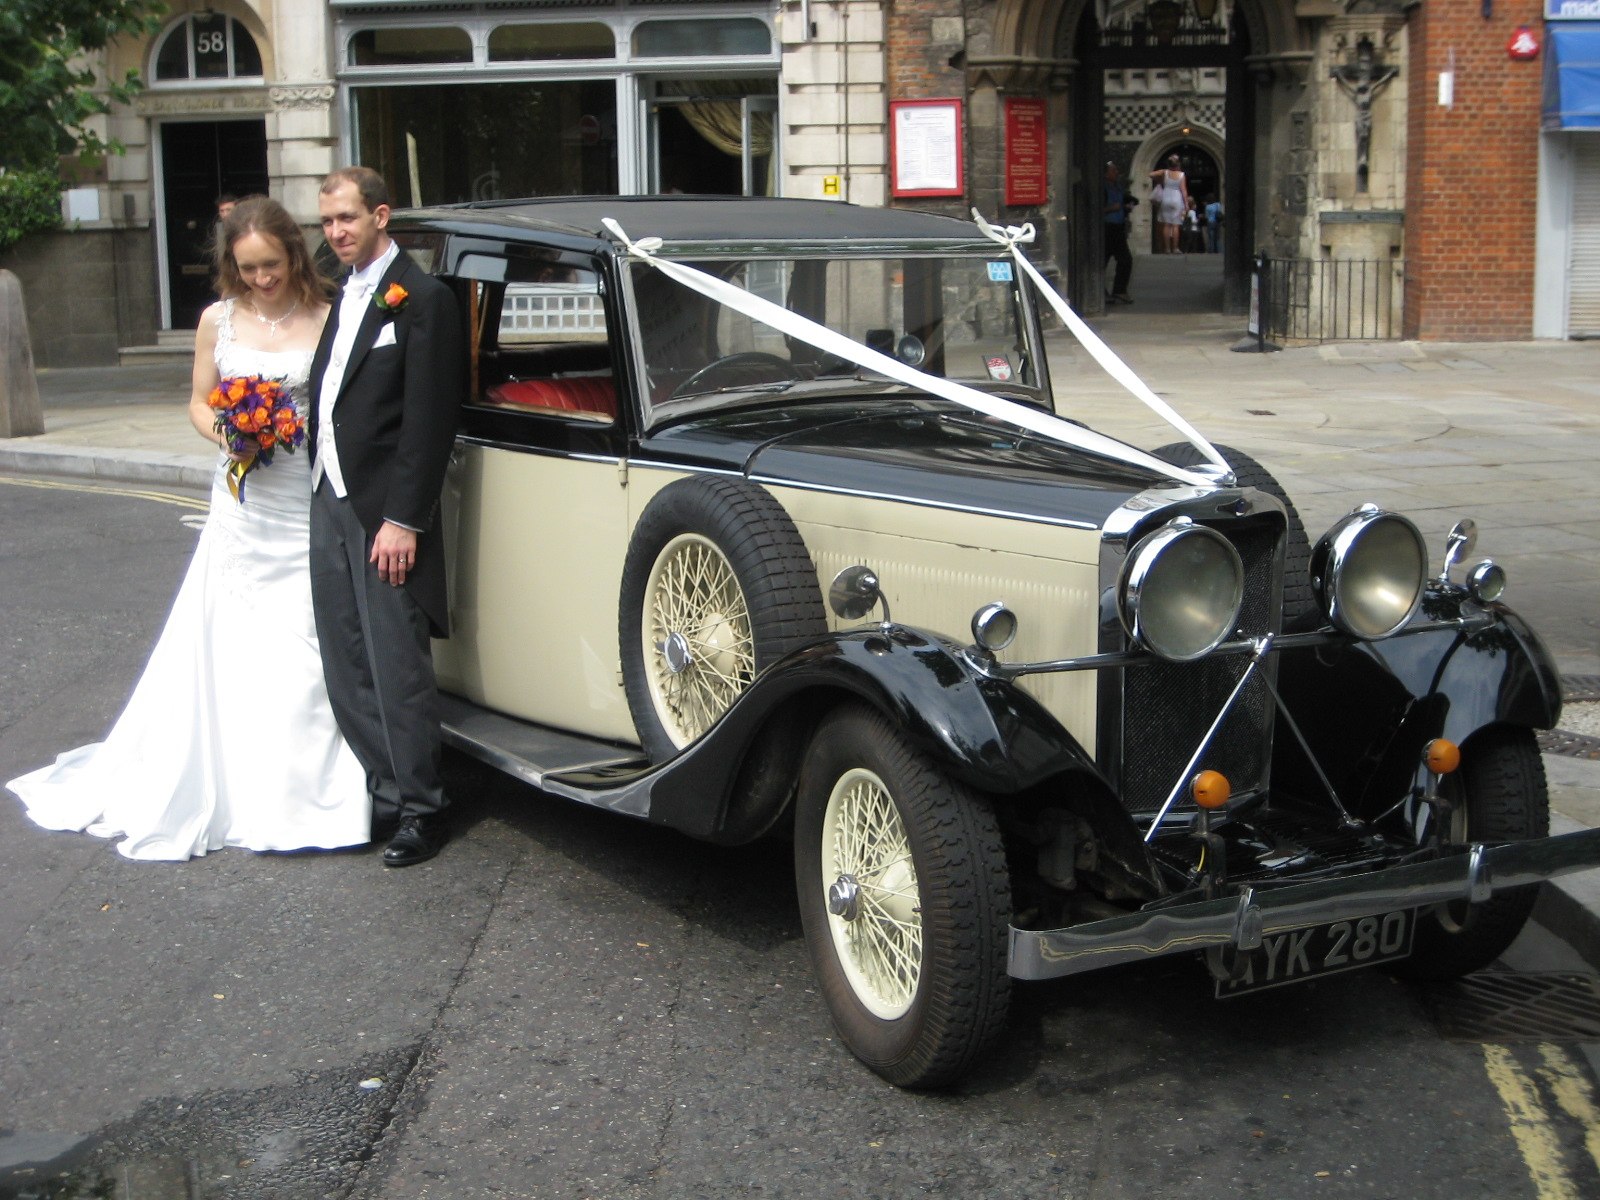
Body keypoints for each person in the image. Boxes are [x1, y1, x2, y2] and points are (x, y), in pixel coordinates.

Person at [7, 198, 369, 859]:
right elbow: (200, 401)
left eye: (273, 264)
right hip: (244, 498)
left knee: (310, 641)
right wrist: (229, 432)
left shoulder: (330, 314)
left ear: (294, 254)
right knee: (233, 638)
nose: (262, 278)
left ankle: (315, 793)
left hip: (304, 494)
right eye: (248, 267)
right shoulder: (216, 321)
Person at [308, 167, 464, 868]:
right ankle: (382, 789)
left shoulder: (422, 298)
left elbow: (429, 420)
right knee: (347, 662)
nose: (336, 232)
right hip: (328, 496)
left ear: (380, 215)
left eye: (346, 218)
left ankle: (422, 808)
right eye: (327, 222)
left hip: (383, 512)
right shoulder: (342, 294)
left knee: (397, 662)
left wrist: (404, 519)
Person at [1102, 161, 1133, 305]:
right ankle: (1101, 291)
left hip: (1118, 227)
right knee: (1100, 262)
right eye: (1113, 171)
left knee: (1125, 260)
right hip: (1107, 227)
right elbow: (1097, 208)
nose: (1116, 173)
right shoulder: (1102, 187)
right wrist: (1111, 208)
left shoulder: (1118, 187)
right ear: (1106, 173)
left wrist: (1125, 207)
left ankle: (1119, 290)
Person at [1149, 154, 1189, 255]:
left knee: (1166, 225)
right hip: (1176, 198)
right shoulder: (1181, 175)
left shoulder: (1165, 172)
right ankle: (1175, 248)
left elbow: (1151, 174)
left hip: (1166, 198)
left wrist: (1161, 179)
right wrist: (1186, 204)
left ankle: (1167, 249)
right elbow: (1183, 191)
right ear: (1178, 164)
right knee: (1175, 225)